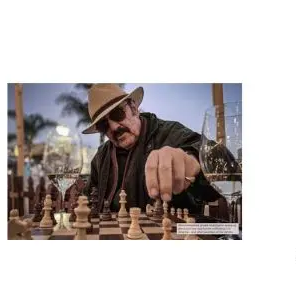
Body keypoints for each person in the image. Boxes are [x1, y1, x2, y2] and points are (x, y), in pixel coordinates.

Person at [81, 84, 225, 215]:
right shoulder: (101, 156)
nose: (113, 127)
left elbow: (226, 168)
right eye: (103, 125)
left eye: (117, 114)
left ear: (134, 108)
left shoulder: (170, 133)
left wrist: (193, 160)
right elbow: (87, 200)